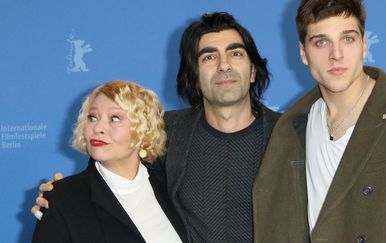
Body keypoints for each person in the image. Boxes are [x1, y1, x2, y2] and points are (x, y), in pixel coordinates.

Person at [32, 12, 280, 242]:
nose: (224, 65)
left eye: (235, 53)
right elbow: (115, 165)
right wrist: (63, 198)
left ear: (253, 72)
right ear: (193, 77)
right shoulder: (168, 131)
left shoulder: (288, 134)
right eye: (209, 57)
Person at [253, 0, 386, 242]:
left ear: (364, 44)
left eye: (348, 39)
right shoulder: (292, 126)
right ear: (303, 53)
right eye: (321, 42)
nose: (336, 55)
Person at [32, 81, 186, 242]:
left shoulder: (171, 185)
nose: (98, 127)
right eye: (92, 117)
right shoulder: (62, 198)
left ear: (144, 131)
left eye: (114, 118)